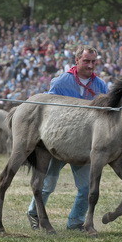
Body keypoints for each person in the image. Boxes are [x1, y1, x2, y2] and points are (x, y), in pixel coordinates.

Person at [26, 45, 108, 231]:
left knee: (86, 188)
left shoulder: (100, 86)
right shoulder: (61, 81)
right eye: (86, 61)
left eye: (93, 61)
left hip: (84, 144)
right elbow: (49, 109)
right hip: (60, 142)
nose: (90, 65)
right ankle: (33, 213)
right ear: (77, 60)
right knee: (47, 185)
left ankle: (75, 222)